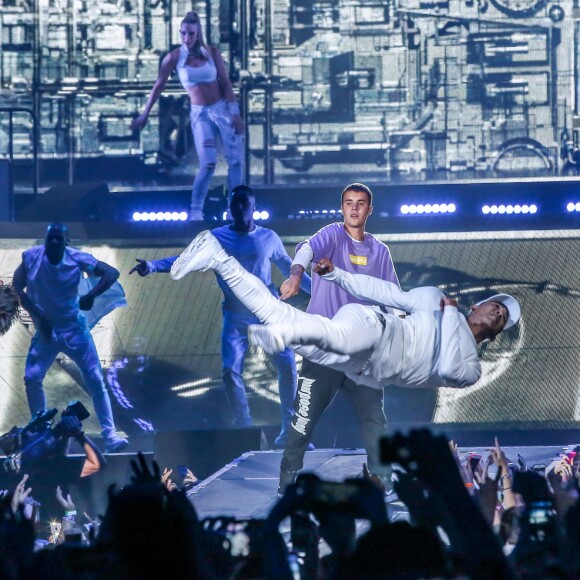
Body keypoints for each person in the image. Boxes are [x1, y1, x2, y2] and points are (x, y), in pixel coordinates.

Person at [168, 229, 520, 434]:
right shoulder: (433, 298)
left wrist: (447, 318)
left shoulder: (470, 369)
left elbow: (445, 370)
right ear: (477, 306)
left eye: (502, 316)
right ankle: (283, 338)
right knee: (314, 333)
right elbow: (385, 292)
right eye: (495, 304)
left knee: (277, 314)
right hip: (372, 328)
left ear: (495, 333)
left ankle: (218, 257)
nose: (496, 310)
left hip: (361, 365)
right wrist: (338, 276)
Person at [130, 185, 311, 445]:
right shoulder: (216, 238)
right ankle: (244, 427)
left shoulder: (268, 238)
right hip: (235, 318)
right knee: (229, 371)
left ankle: (291, 430)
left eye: (244, 204)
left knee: (287, 366)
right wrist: (153, 265)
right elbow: (185, 258)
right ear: (230, 207)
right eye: (235, 203)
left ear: (253, 207)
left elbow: (292, 272)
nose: (239, 208)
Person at [278, 183, 401, 492]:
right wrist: (295, 275)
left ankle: (382, 476)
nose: (354, 208)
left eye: (361, 203)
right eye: (349, 203)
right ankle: (288, 478)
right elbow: (306, 248)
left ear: (369, 209)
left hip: (361, 355)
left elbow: (393, 299)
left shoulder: (380, 251)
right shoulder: (332, 236)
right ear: (342, 208)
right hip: (324, 348)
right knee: (304, 419)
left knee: (375, 419)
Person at [12, 223, 128, 453]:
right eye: (50, 238)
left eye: (58, 239)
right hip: (46, 332)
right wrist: (37, 314)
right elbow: (17, 287)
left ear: (66, 242)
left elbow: (112, 273)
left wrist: (92, 295)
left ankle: (110, 434)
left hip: (75, 329)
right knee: (32, 378)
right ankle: (40, 429)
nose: (54, 242)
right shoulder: (31, 257)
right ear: (45, 240)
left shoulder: (76, 258)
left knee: (95, 378)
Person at [130, 10, 244, 221]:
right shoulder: (174, 58)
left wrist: (235, 113)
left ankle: (235, 208)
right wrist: (144, 114)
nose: (186, 38)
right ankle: (196, 210)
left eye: (190, 34)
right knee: (208, 163)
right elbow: (158, 86)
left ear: (198, 33)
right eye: (183, 33)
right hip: (200, 114)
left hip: (222, 110)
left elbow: (225, 83)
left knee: (236, 161)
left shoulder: (212, 53)